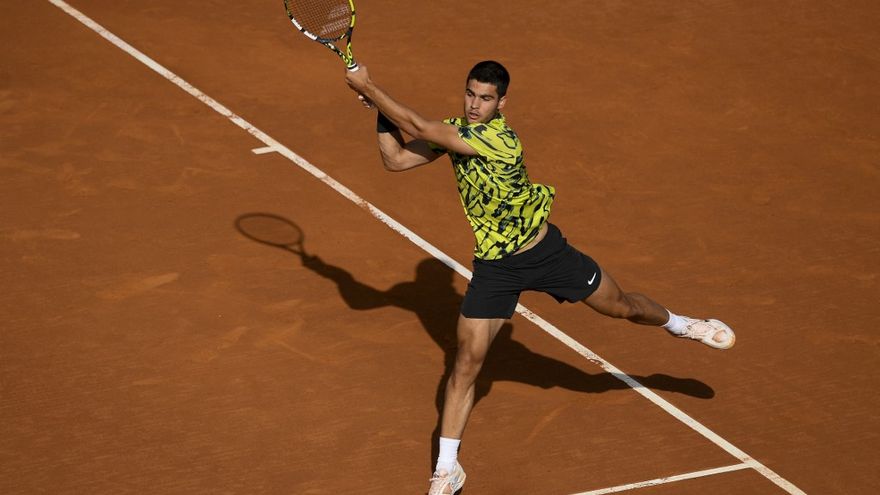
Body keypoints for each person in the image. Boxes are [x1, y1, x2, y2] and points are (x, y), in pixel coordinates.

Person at [344, 60, 735, 495]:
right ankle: (447, 468)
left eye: (486, 98)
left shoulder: (498, 139)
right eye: (471, 94)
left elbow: (417, 125)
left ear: (501, 103)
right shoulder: (456, 131)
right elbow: (396, 160)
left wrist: (371, 87)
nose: (475, 105)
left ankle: (680, 324)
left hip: (546, 254)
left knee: (620, 307)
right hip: (495, 267)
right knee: (466, 363)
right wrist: (380, 113)